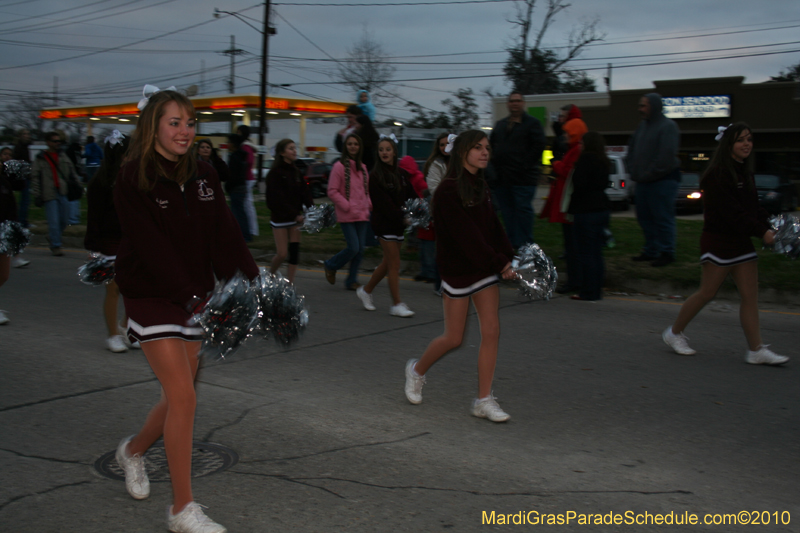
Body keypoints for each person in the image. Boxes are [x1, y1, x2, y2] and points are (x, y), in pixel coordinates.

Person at [113, 86, 257, 533]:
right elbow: (151, 248)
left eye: (189, 122)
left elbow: (224, 234)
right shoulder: (132, 177)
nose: (184, 130)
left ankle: (133, 452)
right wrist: (192, 296)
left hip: (196, 292)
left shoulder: (205, 173)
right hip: (152, 292)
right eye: (174, 122)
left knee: (181, 394)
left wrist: (252, 282)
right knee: (184, 396)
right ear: (153, 125)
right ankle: (182, 508)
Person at [404, 130, 517, 422]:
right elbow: (467, 238)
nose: (484, 152)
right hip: (457, 270)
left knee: (491, 330)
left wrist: (509, 257)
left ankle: (483, 400)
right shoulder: (447, 191)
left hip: (482, 269)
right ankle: (416, 370)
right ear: (462, 151)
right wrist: (499, 262)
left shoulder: (481, 187)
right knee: (454, 338)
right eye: (477, 147)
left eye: (487, 147)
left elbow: (494, 228)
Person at [662, 123, 788, 366]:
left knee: (750, 297)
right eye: (741, 140)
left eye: (749, 139)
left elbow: (752, 209)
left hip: (740, 243)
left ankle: (756, 349)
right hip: (718, 242)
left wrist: (772, 226)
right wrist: (762, 232)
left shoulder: (745, 173)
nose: (746, 144)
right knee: (707, 293)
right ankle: (674, 333)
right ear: (728, 144)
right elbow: (733, 214)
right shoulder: (716, 175)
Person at [84, 130, 138, 353]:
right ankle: (112, 335)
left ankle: (126, 327)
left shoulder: (134, 177)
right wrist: (94, 248)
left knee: (136, 287)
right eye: (127, 154)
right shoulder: (101, 181)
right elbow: (94, 216)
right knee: (114, 288)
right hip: (109, 240)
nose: (131, 157)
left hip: (132, 239)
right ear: (118, 155)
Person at [356, 135, 417, 317]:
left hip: (398, 225)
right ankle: (396, 304)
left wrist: (420, 210)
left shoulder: (402, 174)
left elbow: (411, 197)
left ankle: (365, 291)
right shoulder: (375, 176)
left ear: (394, 152)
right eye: (381, 149)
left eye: (388, 149)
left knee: (387, 262)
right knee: (394, 264)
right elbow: (384, 204)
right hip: (384, 224)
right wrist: (403, 217)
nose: (384, 152)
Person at [626, 93, 681, 267]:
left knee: (662, 217)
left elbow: (665, 158)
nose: (640, 109)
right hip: (643, 182)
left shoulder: (668, 127)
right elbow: (632, 150)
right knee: (644, 218)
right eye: (640, 105)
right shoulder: (641, 127)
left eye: (644, 106)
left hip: (663, 181)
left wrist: (647, 174)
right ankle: (651, 250)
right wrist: (633, 170)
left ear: (655, 107)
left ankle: (667, 252)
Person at [489, 91, 546, 249]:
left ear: (523, 103)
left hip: (523, 179)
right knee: (507, 213)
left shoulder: (532, 124)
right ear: (508, 104)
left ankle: (526, 245)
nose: (515, 103)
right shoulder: (501, 125)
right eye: (512, 101)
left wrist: (524, 165)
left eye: (518, 101)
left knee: (522, 211)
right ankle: (512, 245)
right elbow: (491, 147)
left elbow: (538, 146)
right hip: (502, 179)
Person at [540, 105, 587, 294]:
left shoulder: (575, 151)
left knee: (573, 245)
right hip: (567, 202)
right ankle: (576, 280)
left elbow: (567, 171)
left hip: (569, 204)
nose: (565, 135)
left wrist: (556, 163)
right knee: (572, 244)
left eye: (568, 133)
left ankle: (575, 281)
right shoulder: (574, 149)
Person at [323, 133, 371, 291]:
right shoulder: (339, 166)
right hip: (347, 213)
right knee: (353, 247)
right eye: (350, 144)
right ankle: (331, 265)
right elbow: (332, 190)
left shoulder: (363, 168)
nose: (353, 147)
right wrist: (346, 205)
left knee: (360, 250)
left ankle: (351, 280)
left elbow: (366, 190)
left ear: (359, 147)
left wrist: (368, 204)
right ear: (345, 147)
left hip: (362, 214)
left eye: (356, 144)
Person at [567, 132, 612, 301]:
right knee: (596, 253)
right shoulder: (604, 161)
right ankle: (596, 289)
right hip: (602, 207)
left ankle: (587, 290)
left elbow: (579, 183)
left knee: (586, 253)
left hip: (586, 210)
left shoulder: (585, 160)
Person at [266, 138, 313, 283]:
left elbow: (304, 192)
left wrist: (311, 209)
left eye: (295, 148)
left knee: (294, 253)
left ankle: (290, 284)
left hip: (295, 220)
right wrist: (293, 214)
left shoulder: (296, 171)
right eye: (290, 148)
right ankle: (268, 276)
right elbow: (275, 200)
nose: (294, 151)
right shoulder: (275, 173)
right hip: (281, 219)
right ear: (282, 152)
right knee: (282, 254)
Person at [30, 131, 80, 256]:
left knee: (64, 220)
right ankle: (56, 245)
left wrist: (78, 184)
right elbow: (35, 177)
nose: (58, 143)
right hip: (49, 193)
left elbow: (71, 171)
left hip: (62, 191)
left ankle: (52, 236)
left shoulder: (63, 156)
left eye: (59, 141)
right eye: (55, 141)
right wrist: (37, 194)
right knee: (54, 222)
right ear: (48, 142)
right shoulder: (41, 158)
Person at [415, 132, 451, 291]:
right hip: (442, 210)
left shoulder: (461, 161)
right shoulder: (435, 164)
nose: (444, 148)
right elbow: (435, 189)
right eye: (441, 145)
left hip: (459, 211)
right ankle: (440, 285)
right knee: (444, 250)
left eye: (447, 144)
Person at [226, 133, 252, 242]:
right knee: (240, 212)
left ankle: (244, 236)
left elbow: (232, 175)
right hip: (241, 187)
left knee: (237, 213)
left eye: (229, 142)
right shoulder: (241, 156)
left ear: (233, 144)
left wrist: (228, 186)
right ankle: (245, 234)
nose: (227, 144)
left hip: (236, 188)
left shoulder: (234, 157)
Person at [236, 124, 259, 239]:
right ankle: (251, 229)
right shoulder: (247, 145)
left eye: (238, 132)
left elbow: (249, 161)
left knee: (248, 205)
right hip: (248, 177)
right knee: (248, 205)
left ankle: (252, 230)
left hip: (247, 178)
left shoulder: (245, 146)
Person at [12, 129, 32, 230]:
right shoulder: (20, 148)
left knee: (25, 200)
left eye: (28, 134)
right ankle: (22, 222)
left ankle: (23, 220)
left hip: (25, 176)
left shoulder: (25, 147)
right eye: (25, 134)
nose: (27, 136)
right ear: (20, 136)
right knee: (25, 200)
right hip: (23, 177)